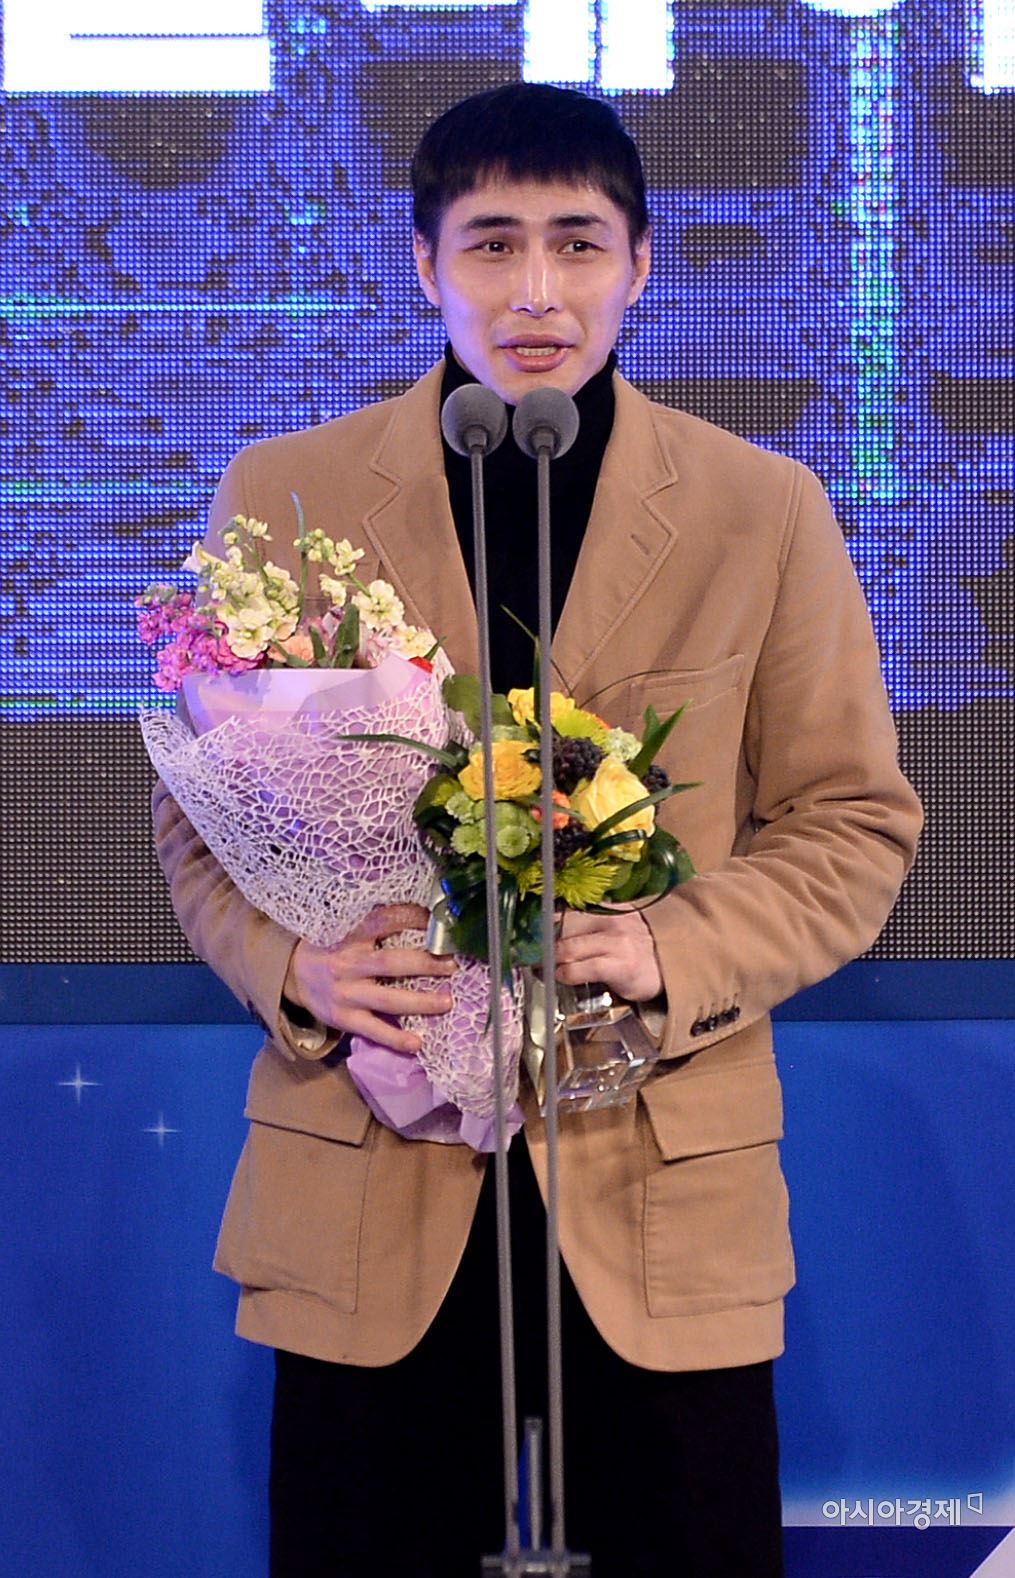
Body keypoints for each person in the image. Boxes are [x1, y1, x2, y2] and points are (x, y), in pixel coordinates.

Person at [153, 83, 922, 1577]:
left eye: (577, 244)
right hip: (376, 1162)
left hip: (650, 1165)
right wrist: (300, 969)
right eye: (491, 244)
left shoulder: (763, 509)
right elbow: (202, 820)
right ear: (423, 263)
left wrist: (668, 943)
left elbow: (851, 821)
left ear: (642, 263)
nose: (535, 292)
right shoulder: (288, 491)